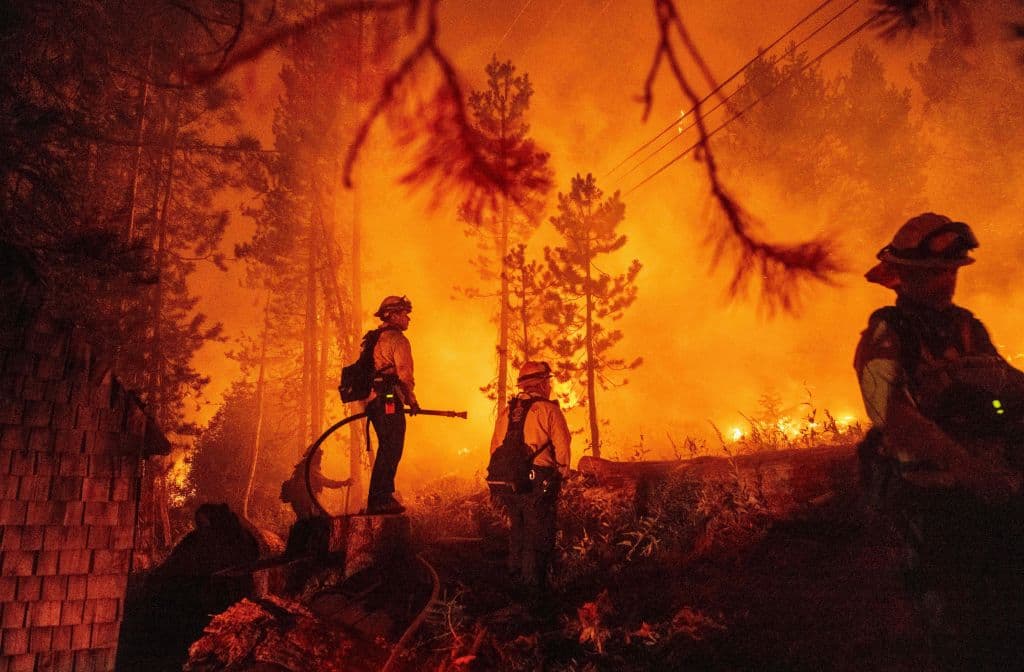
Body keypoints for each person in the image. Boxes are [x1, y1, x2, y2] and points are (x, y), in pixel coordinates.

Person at [853, 213, 1024, 666]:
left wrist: (1007, 385)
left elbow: (1012, 394)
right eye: (933, 273)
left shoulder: (969, 329)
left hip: (995, 497)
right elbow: (891, 414)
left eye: (950, 271)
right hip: (933, 504)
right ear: (904, 276)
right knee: (959, 632)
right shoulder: (886, 334)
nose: (946, 282)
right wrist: (968, 469)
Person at [489, 361, 572, 600]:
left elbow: (495, 447)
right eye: (548, 380)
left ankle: (514, 582)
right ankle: (533, 592)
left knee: (518, 529)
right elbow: (563, 447)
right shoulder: (548, 410)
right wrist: (563, 474)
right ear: (542, 383)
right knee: (539, 533)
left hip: (510, 480)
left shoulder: (507, 412)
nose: (549, 385)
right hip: (538, 479)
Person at [365, 295, 420, 515]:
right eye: (405, 314)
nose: (408, 319)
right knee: (392, 444)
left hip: (372, 401)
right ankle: (381, 498)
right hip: (388, 399)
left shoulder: (374, 339)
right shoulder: (397, 340)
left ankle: (379, 497)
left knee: (387, 444)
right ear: (393, 315)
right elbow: (404, 373)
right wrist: (411, 400)